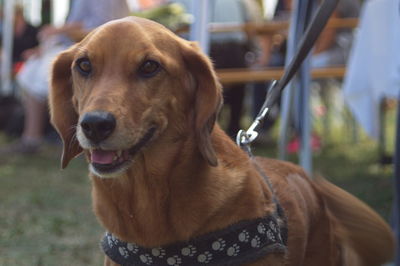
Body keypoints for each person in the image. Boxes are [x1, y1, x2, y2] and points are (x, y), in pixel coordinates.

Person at [1, 0, 130, 155]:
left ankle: (38, 138)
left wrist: (58, 30)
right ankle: (35, 138)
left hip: (98, 54)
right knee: (32, 70)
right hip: (80, 49)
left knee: (37, 72)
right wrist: (43, 47)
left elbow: (105, 27)